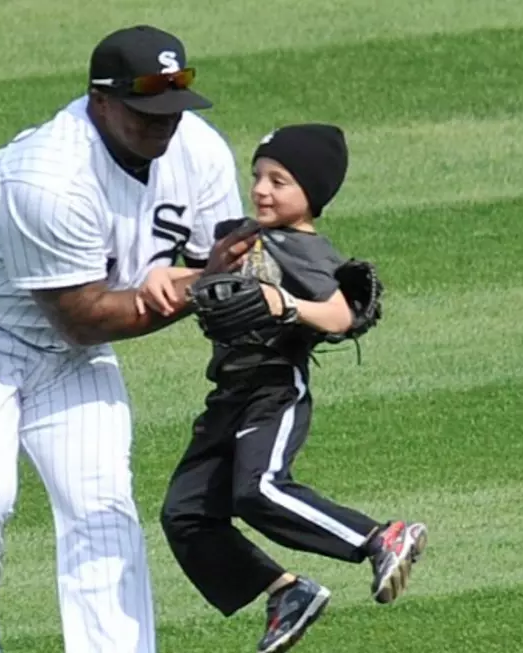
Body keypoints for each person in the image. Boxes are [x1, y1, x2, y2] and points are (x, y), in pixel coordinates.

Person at [0, 24, 257, 653]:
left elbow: (217, 268)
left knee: (101, 507)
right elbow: (82, 317)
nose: (163, 125)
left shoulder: (200, 152)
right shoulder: (46, 177)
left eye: (173, 108)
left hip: (67, 355)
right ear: (100, 101)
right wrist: (196, 289)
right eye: (145, 111)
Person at [137, 124, 428, 653]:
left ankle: (377, 538)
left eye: (280, 180)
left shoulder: (305, 249)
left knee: (259, 489)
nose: (262, 189)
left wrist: (284, 304)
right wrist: (165, 280)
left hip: (273, 388)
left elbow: (341, 314)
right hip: (227, 395)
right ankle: (285, 592)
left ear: (310, 194)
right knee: (185, 513)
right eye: (258, 176)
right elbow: (208, 278)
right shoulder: (244, 234)